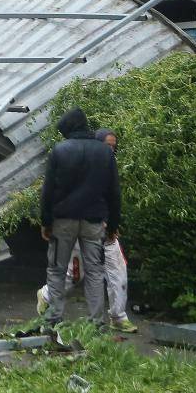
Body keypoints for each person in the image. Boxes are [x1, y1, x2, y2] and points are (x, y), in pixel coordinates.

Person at [36, 129, 137, 332]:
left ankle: (118, 316)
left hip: (103, 230)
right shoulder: (88, 163)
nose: (111, 149)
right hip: (86, 227)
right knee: (74, 275)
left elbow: (112, 196)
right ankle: (47, 296)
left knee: (118, 272)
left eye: (113, 146)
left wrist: (112, 224)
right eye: (107, 145)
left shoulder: (106, 163)